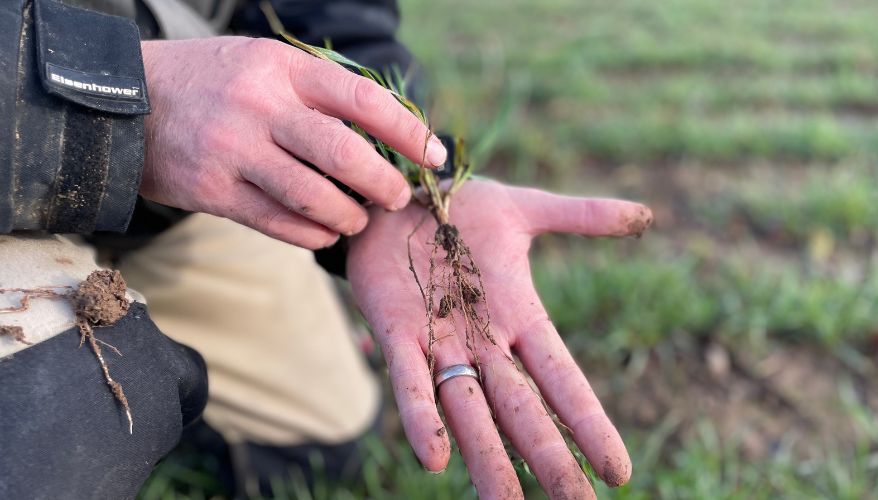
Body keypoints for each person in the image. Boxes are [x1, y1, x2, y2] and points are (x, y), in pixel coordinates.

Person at [0, 1, 652, 499]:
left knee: (322, 441)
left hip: (174, 198)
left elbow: (331, 16)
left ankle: (165, 377)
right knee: (65, 408)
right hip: (39, 149)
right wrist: (121, 101)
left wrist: (395, 183)